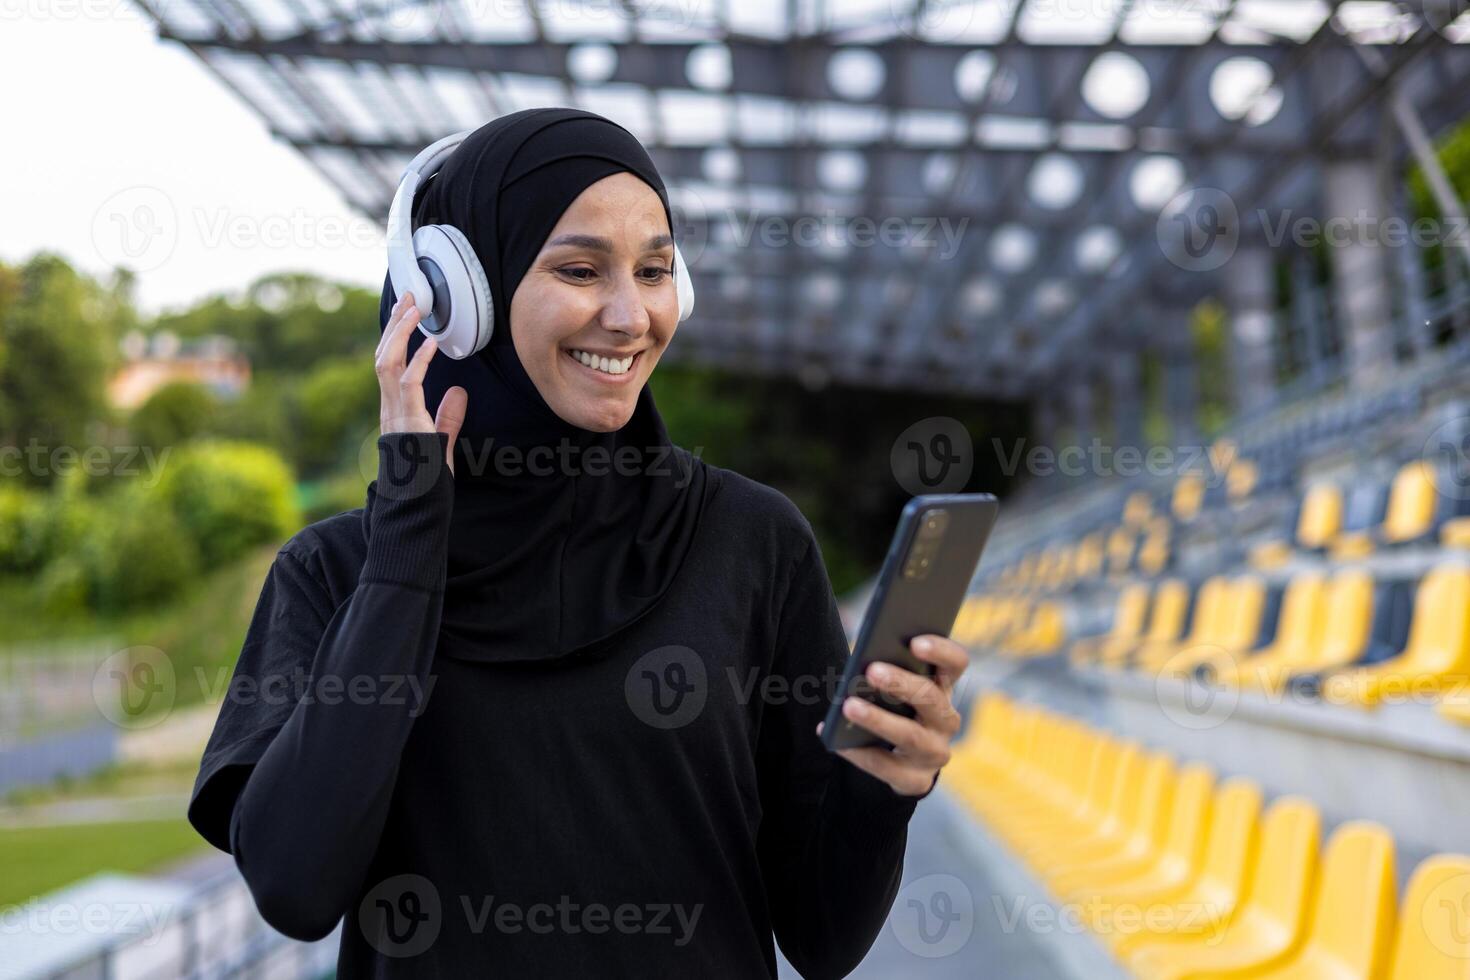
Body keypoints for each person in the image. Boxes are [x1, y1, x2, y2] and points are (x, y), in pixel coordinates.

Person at [186, 107, 968, 978]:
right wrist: (408, 539)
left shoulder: (754, 543)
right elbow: (295, 886)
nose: (632, 316)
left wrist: (884, 783)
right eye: (581, 269)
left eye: (656, 270)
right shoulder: (333, 572)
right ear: (457, 299)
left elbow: (825, 936)